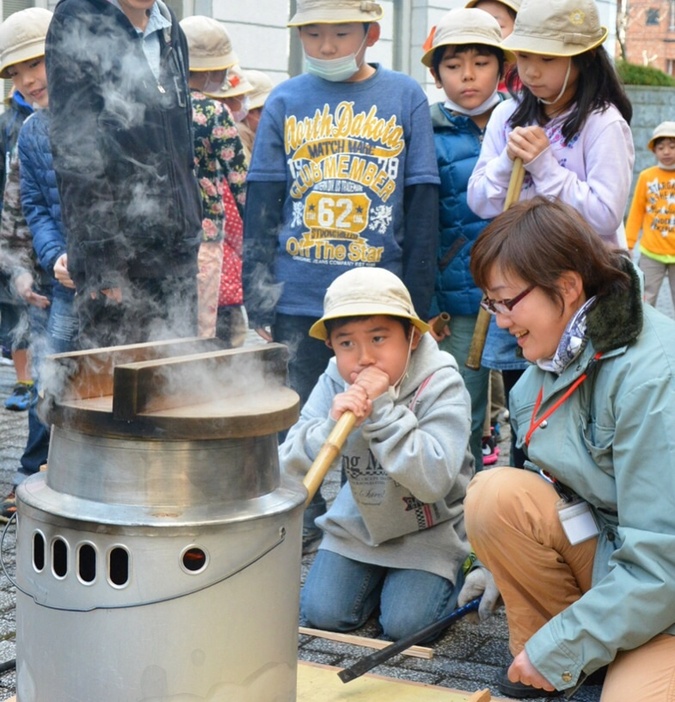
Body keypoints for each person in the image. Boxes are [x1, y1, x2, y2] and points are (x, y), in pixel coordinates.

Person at [243, 0, 440, 551]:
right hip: (300, 294)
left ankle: (387, 517)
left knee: (380, 407)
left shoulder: (405, 97)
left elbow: (422, 201)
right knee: (294, 409)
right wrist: (259, 297)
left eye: (340, 33)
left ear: (370, 34)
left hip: (381, 299)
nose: (326, 46)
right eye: (314, 35)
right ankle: (297, 514)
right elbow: (262, 199)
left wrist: (419, 301)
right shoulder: (284, 100)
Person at [464, 196, 675, 700]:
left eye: (506, 301)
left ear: (567, 286)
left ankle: (573, 653)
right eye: (489, 303)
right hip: (619, 555)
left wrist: (560, 646)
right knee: (494, 494)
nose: (498, 320)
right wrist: (494, 564)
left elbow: (664, 563)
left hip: (663, 582)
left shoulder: (653, 379)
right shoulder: (548, 358)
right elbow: (547, 493)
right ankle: (574, 657)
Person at [466, 0, 634, 467]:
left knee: (583, 403)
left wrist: (545, 166)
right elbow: (479, 200)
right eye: (524, 57)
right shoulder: (507, 117)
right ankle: (519, 497)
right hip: (518, 288)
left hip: (584, 292)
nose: (533, 71)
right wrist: (507, 161)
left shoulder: (604, 123)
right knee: (526, 401)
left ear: (580, 59)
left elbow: (604, 215)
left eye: (548, 59)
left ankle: (579, 502)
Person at [280, 267, 484, 640]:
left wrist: (384, 413)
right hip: (360, 521)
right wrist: (330, 428)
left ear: (411, 336)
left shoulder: (442, 381)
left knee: (408, 627)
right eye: (346, 344)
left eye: (378, 338)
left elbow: (433, 480)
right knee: (322, 613)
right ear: (331, 346)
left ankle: (463, 565)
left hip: (430, 528)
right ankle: (379, 582)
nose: (363, 358)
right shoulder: (335, 378)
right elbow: (288, 465)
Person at [45, 0, 202, 349]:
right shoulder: (79, 17)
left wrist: (192, 229)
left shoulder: (170, 28)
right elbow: (76, 151)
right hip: (119, 261)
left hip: (176, 254)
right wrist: (102, 264)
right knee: (118, 393)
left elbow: (180, 148)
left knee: (176, 390)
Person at [422, 7, 512, 471]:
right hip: (459, 298)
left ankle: (524, 495)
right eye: (453, 66)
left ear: (502, 66)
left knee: (528, 400)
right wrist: (432, 299)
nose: (468, 76)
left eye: (481, 63)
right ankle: (462, 502)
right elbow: (422, 222)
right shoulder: (426, 129)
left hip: (524, 291)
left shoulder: (521, 121)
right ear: (437, 75)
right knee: (462, 404)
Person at [0, 7, 79, 521]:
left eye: (37, 62)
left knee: (119, 379)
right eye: (16, 72)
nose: (29, 78)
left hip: (127, 280)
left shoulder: (109, 115)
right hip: (66, 279)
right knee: (52, 373)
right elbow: (30, 210)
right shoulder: (29, 133)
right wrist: (45, 261)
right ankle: (33, 474)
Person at [180, 16, 248, 341]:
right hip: (204, 231)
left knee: (168, 322)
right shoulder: (213, 112)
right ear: (209, 70)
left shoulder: (154, 103)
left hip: (159, 234)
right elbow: (239, 178)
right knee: (202, 327)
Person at [625, 121, 675, 310]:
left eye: (672, 146)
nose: (667, 152)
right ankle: (646, 336)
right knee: (646, 299)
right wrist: (629, 244)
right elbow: (637, 210)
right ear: (654, 150)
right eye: (661, 147)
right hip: (651, 252)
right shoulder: (647, 176)